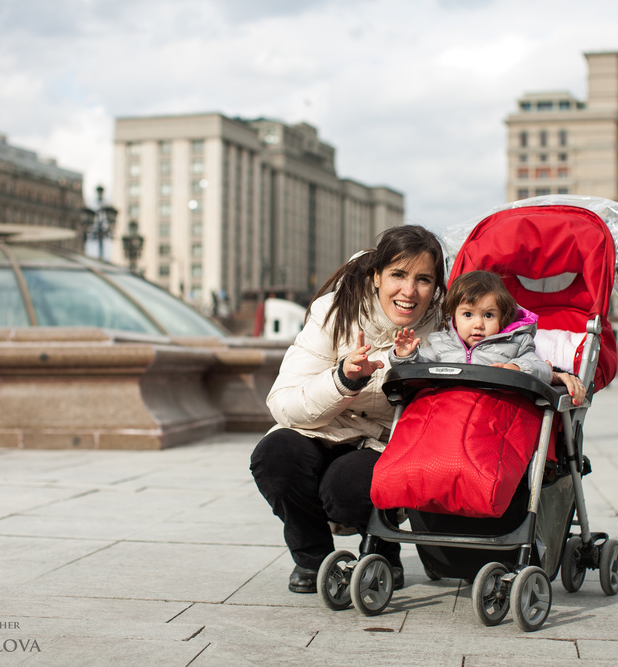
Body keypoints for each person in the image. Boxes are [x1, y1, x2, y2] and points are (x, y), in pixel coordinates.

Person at [249, 225, 447, 594]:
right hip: (324, 429)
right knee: (274, 456)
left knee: (345, 490)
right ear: (376, 277)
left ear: (436, 287)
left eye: (423, 279)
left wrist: (553, 372)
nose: (409, 291)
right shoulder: (334, 311)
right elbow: (284, 403)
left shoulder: (446, 327)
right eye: (398, 275)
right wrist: (344, 379)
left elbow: (498, 340)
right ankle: (314, 561)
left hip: (386, 443)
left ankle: (383, 550)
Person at [391, 270, 584, 403]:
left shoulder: (514, 345)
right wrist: (406, 356)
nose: (478, 324)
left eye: (488, 315)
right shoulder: (441, 344)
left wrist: (516, 367)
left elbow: (541, 368)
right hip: (446, 412)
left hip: (491, 415)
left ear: (502, 318)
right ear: (454, 320)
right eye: (468, 314)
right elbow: (416, 369)